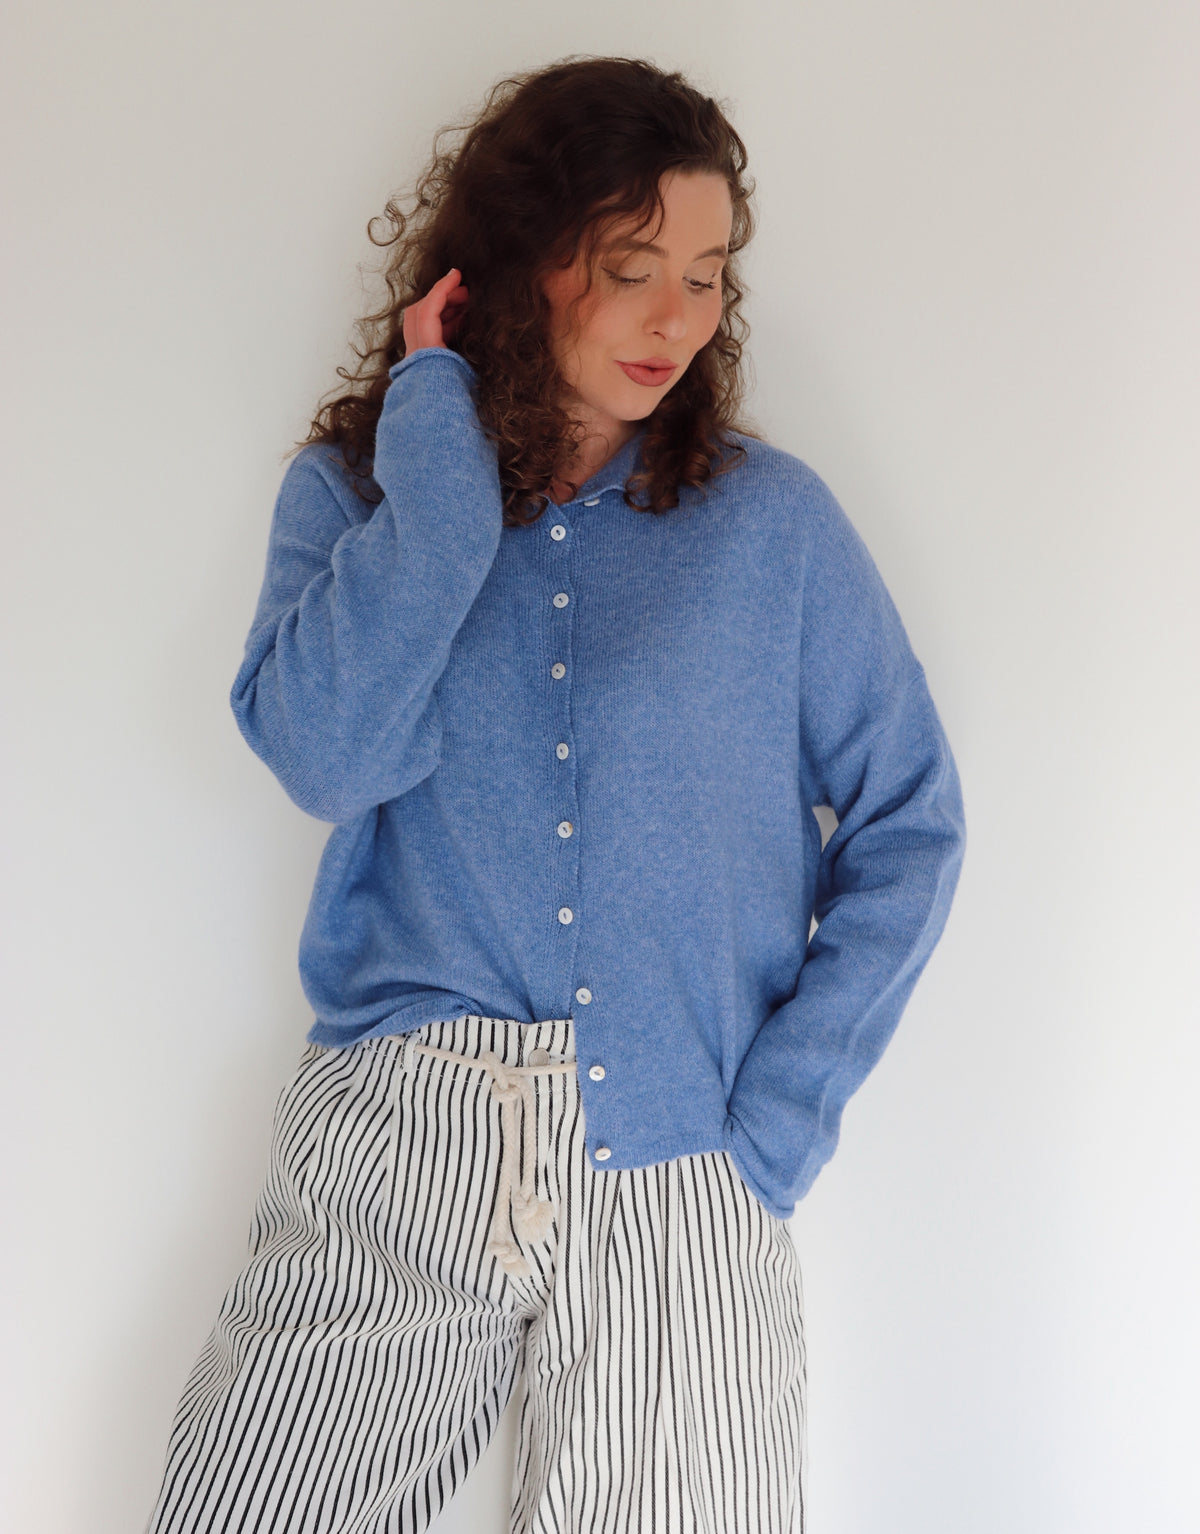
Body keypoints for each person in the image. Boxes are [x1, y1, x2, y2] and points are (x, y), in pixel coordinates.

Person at [143, 53, 965, 1534]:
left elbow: (911, 817)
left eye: (708, 275)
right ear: (521, 263)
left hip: (682, 1158)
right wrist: (444, 480)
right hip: (407, 1147)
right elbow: (324, 757)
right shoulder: (358, 502)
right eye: (632, 264)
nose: (677, 316)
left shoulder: (768, 527)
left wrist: (772, 1126)